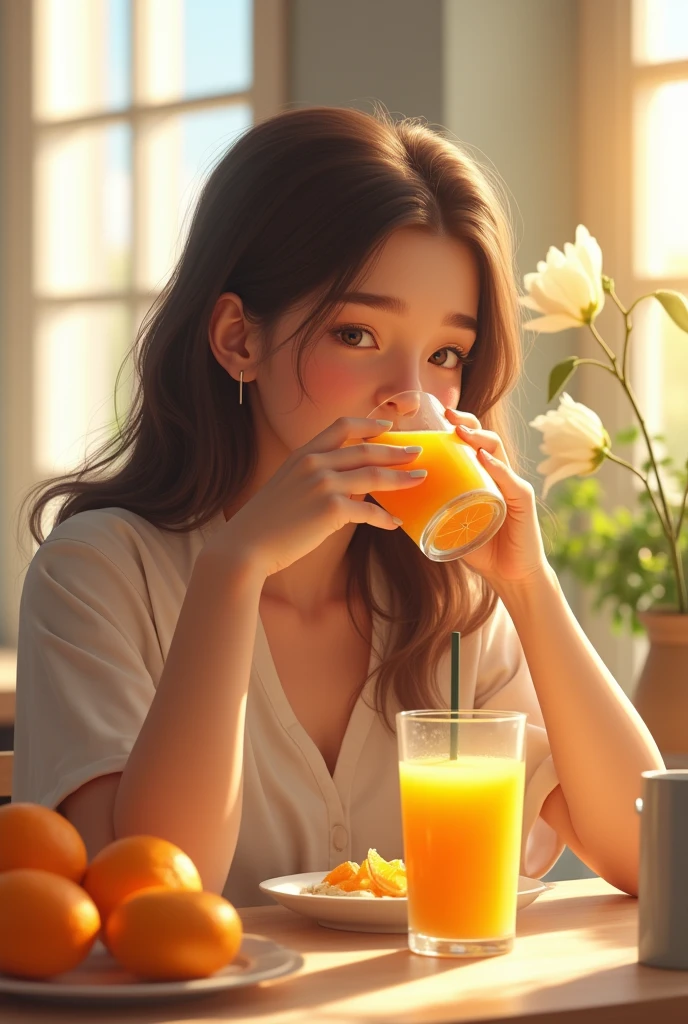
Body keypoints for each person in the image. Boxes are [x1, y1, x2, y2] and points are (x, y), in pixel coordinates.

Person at [13, 106, 662, 906]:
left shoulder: (455, 600)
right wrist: (232, 569)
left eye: (445, 353)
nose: (408, 395)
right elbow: (160, 895)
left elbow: (652, 856)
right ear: (237, 340)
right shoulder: (99, 573)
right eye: (357, 334)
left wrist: (530, 587)